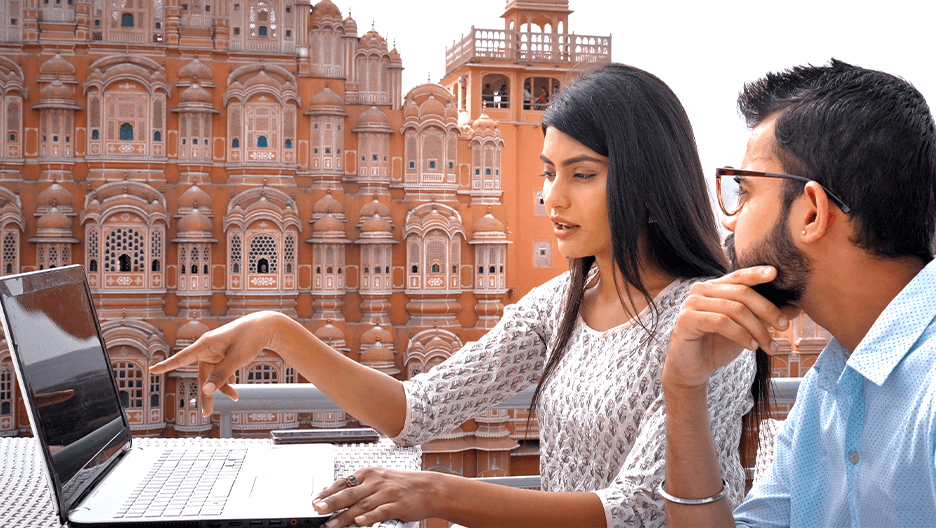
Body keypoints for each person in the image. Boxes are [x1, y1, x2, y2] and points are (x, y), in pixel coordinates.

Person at [151, 63, 757, 528]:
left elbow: (633, 508)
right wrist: (275, 330)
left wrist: (435, 493)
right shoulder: (562, 304)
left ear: (647, 177)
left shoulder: (707, 321)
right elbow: (417, 411)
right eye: (548, 172)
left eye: (582, 174)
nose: (552, 199)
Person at [661, 59, 936, 527]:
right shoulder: (829, 386)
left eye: (744, 191)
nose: (729, 220)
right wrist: (684, 390)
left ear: (811, 212)